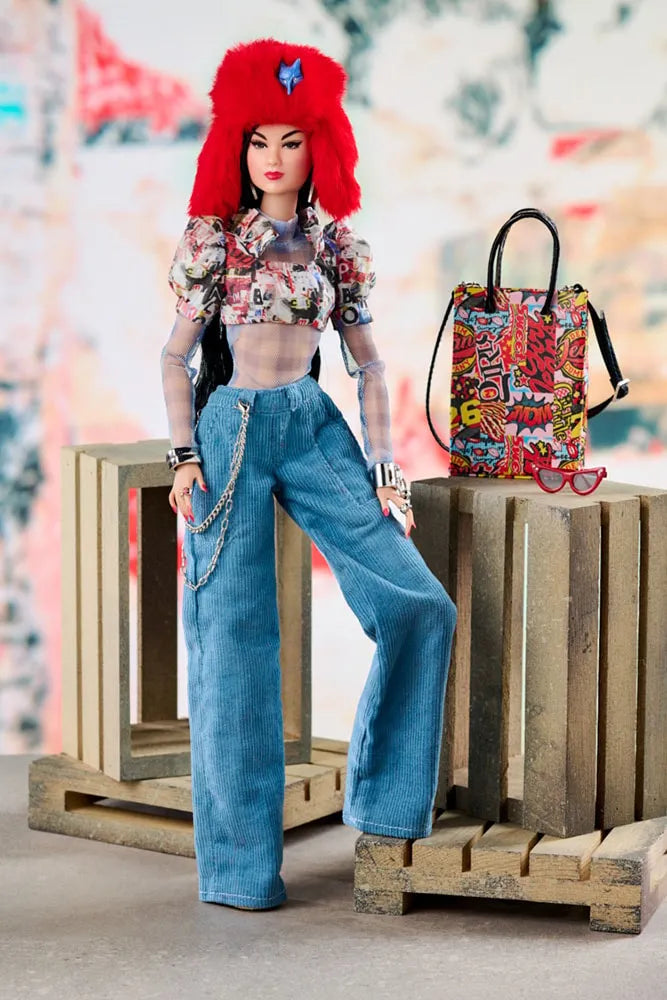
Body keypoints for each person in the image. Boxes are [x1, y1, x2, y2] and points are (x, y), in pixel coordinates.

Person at [159, 38, 457, 911]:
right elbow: (176, 356)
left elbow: (369, 365)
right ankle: (239, 872)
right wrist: (183, 455)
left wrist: (385, 472)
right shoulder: (215, 242)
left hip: (311, 424)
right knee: (234, 645)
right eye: (259, 140)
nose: (274, 157)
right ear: (235, 147)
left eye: (291, 141)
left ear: (319, 148)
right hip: (230, 430)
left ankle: (387, 805)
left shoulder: (335, 247)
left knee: (418, 605)